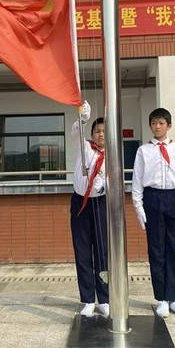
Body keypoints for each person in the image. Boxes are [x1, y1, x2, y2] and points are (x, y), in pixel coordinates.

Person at [132, 108, 175, 318]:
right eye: (153, 123)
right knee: (156, 250)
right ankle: (161, 299)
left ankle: (174, 297)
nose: (157, 127)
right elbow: (137, 182)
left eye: (161, 123)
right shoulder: (143, 151)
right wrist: (139, 208)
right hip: (153, 198)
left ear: (168, 125)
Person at [70, 101, 109, 318]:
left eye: (104, 131)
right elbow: (76, 132)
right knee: (83, 252)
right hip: (80, 204)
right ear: (92, 133)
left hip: (102, 203)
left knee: (102, 253)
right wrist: (82, 118)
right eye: (97, 131)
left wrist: (104, 185)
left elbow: (116, 178)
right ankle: (87, 299)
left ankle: (104, 298)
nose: (101, 134)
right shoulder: (84, 148)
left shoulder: (114, 154)